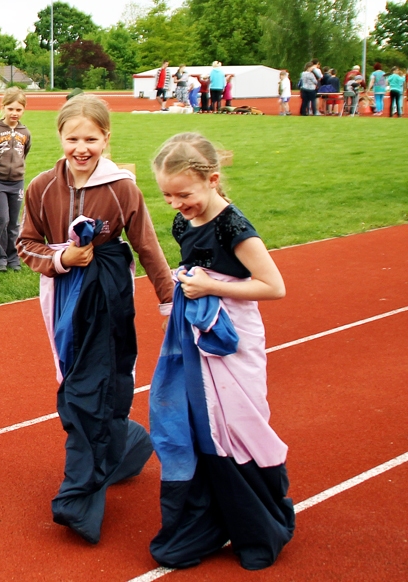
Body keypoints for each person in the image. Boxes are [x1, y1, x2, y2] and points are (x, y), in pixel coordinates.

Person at [16, 95, 174, 545]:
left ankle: (79, 498)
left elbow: (147, 246)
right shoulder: (42, 187)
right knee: (78, 383)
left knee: (92, 390)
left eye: (91, 138)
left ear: (107, 137)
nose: (81, 147)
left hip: (108, 295)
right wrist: (62, 256)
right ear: (59, 138)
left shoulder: (123, 187)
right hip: (64, 298)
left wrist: (168, 302)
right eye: (72, 138)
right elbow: (26, 244)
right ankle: (128, 443)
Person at [148, 132, 294, 571]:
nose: (176, 204)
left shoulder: (235, 227)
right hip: (195, 337)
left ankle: (260, 524)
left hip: (234, 341)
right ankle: (206, 524)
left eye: (184, 194)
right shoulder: (181, 222)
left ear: (212, 180)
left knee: (238, 423)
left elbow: (274, 286)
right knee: (197, 424)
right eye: (167, 195)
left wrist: (209, 286)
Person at [0, 87, 31, 273]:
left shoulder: (25, 132)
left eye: (18, 109)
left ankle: (13, 256)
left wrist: (15, 169)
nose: (14, 113)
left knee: (14, 222)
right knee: (1, 219)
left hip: (17, 182)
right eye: (10, 109)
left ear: (23, 110)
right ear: (3, 108)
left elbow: (25, 152)